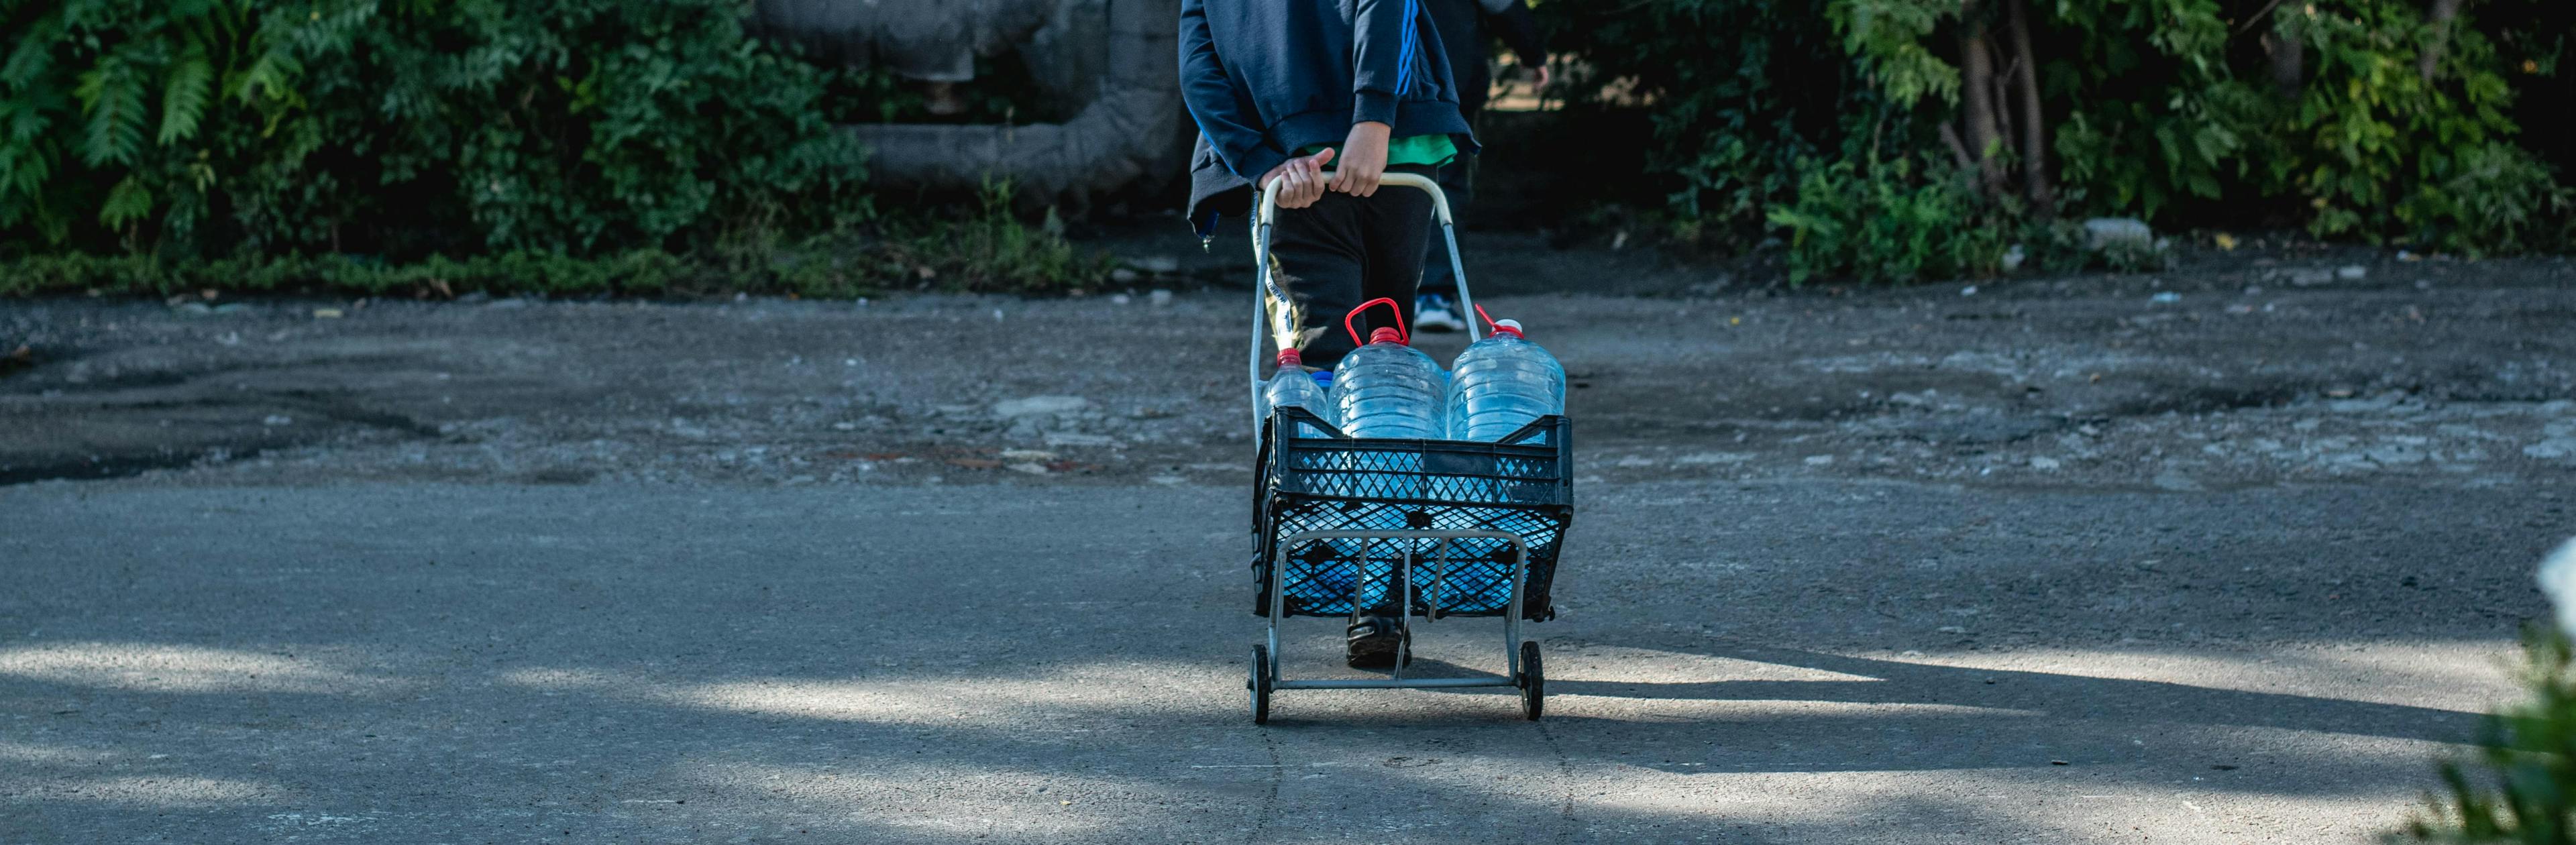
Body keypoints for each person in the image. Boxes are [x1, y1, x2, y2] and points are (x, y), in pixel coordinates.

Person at [1180, 0, 1475, 668]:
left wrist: (1258, 161)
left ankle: (1354, 583)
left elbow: (1201, 67)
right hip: (1384, 146)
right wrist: (1373, 119)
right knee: (1378, 372)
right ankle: (1375, 594)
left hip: (1301, 161)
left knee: (1331, 375)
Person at [1413, 0, 1548, 333]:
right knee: (1446, 181)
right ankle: (1432, 294)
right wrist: (1532, 53)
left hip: (1373, 81)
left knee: (1374, 181)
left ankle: (1373, 299)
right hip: (1450, 75)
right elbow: (1500, 5)